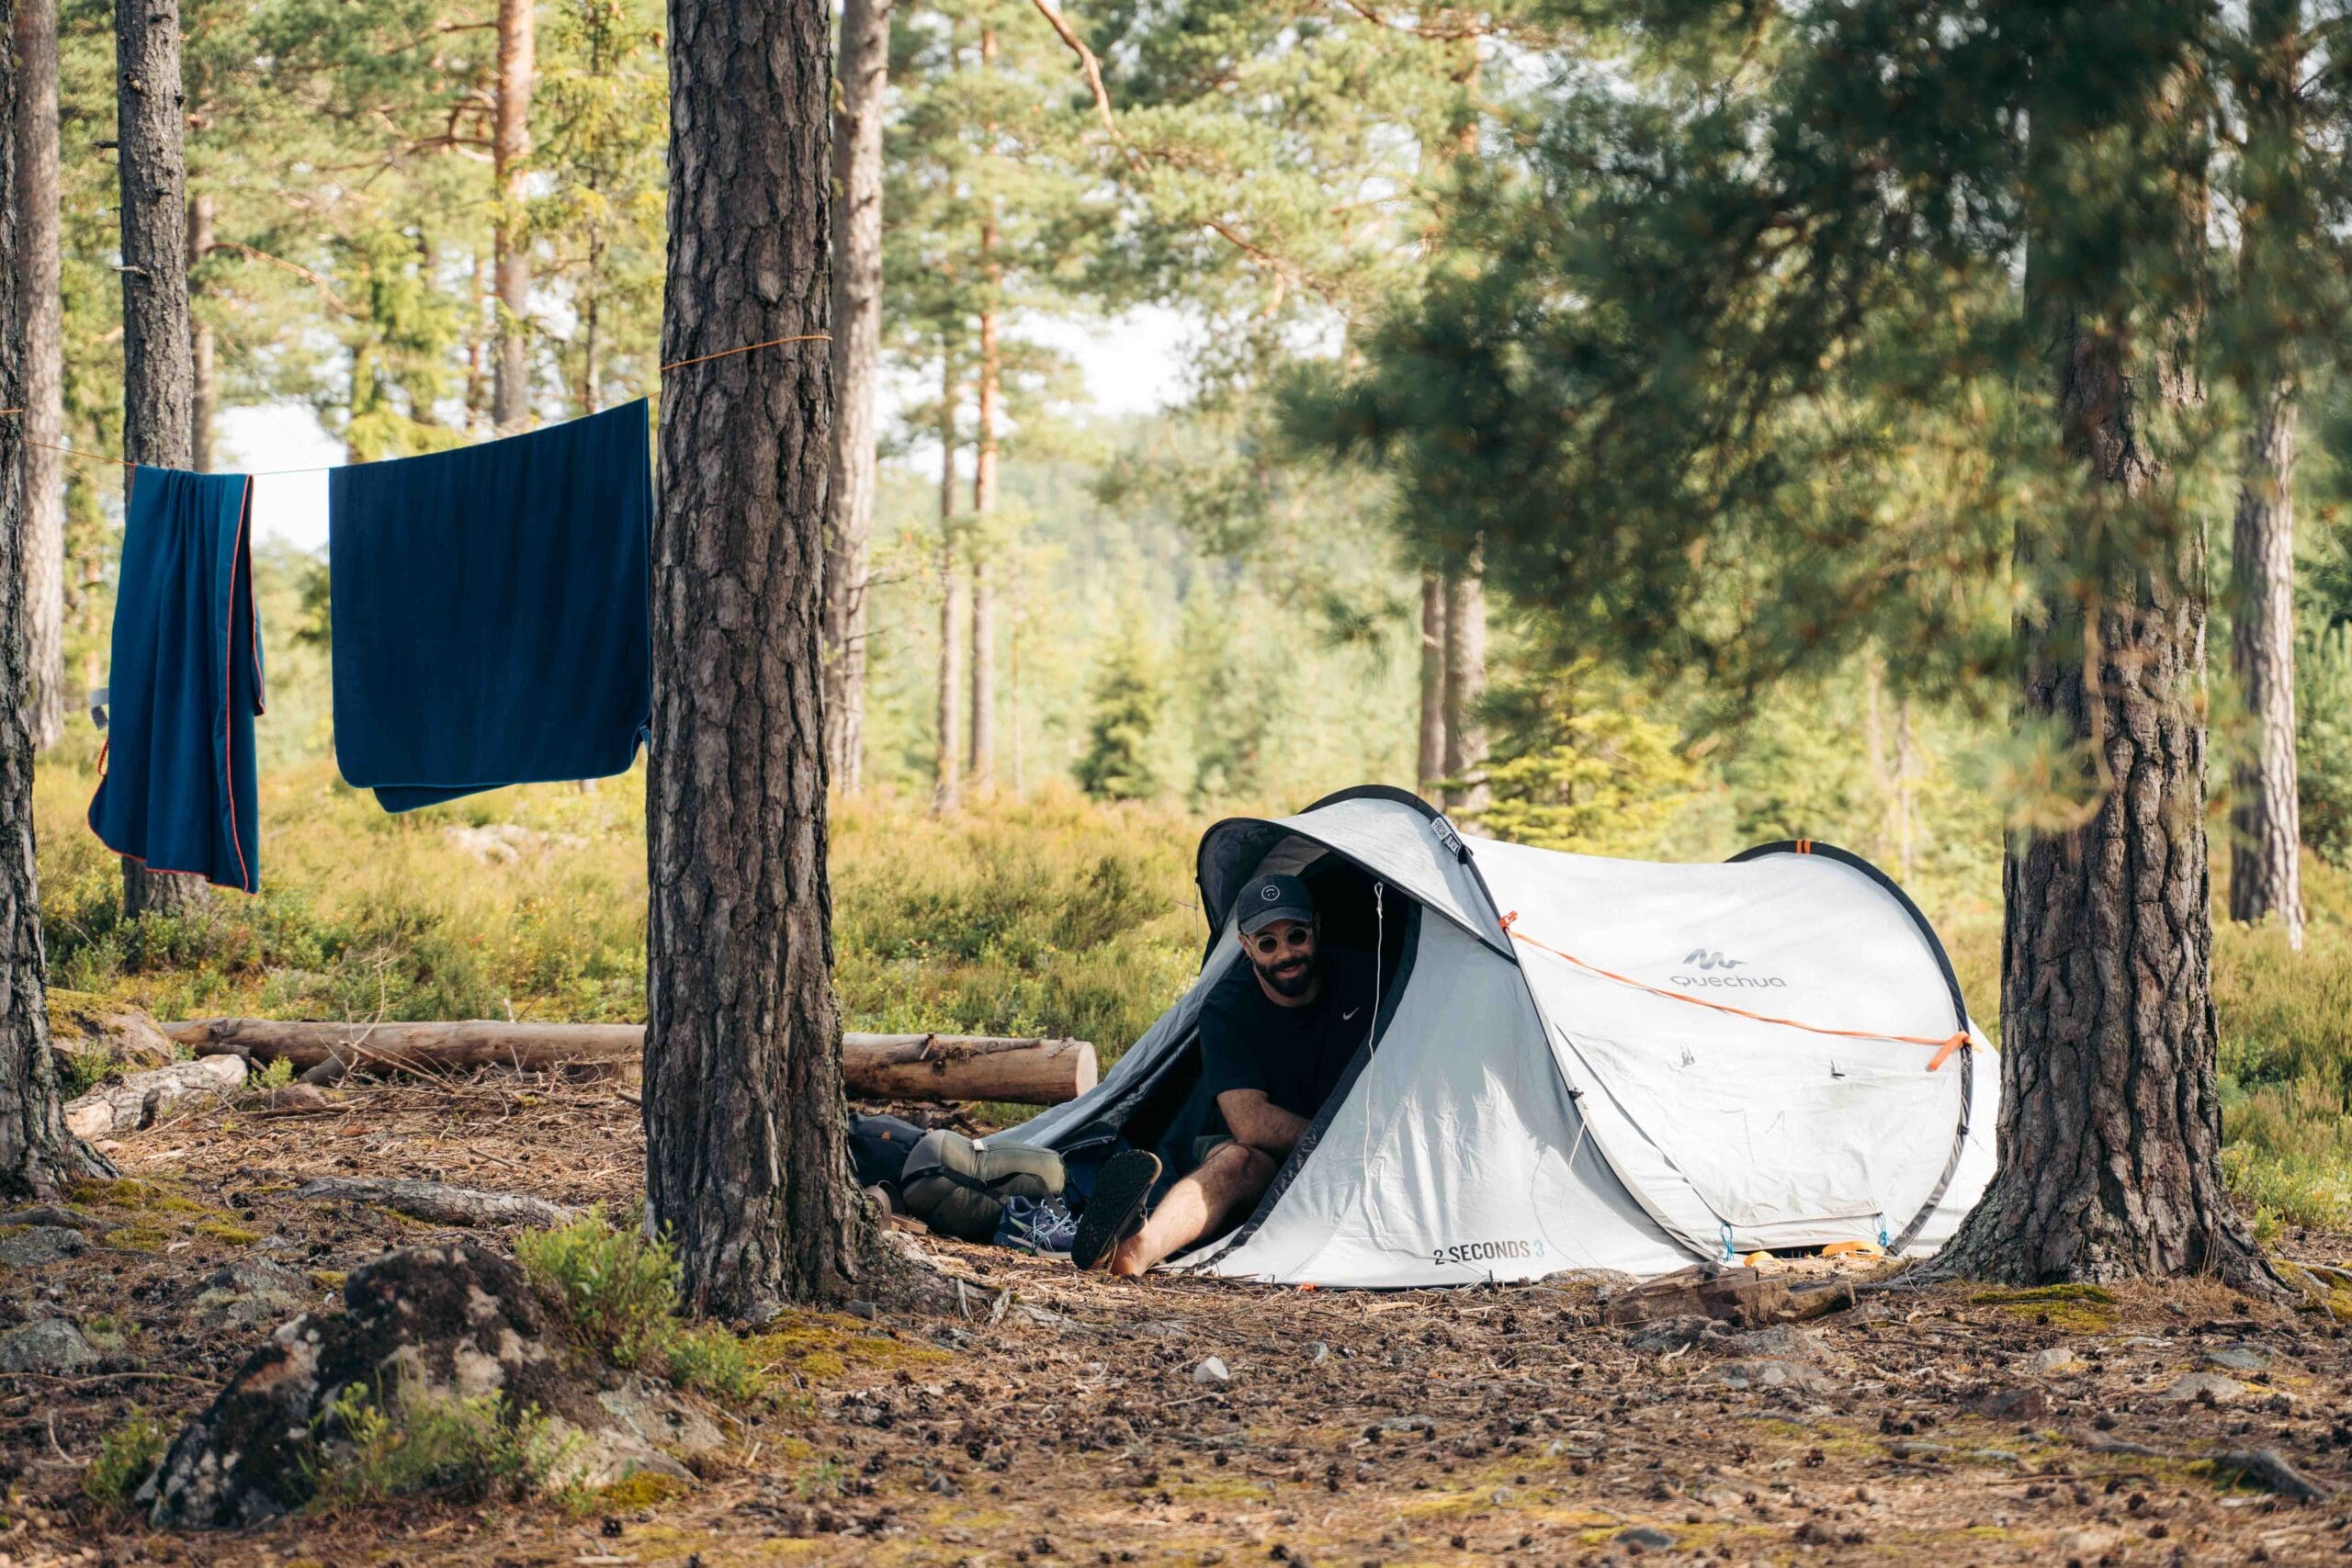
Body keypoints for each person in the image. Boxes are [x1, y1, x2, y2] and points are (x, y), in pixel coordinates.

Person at [1072, 873, 1379, 1275]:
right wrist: (1341, 1142)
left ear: (1318, 927)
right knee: (1233, 1159)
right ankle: (1137, 1248)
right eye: (1268, 943)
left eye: (1297, 936)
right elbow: (1249, 1123)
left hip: (1370, 1154)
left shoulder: (1367, 981)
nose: (1286, 953)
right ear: (1246, 946)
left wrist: (1368, 1147)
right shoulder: (1228, 1006)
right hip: (1276, 1156)